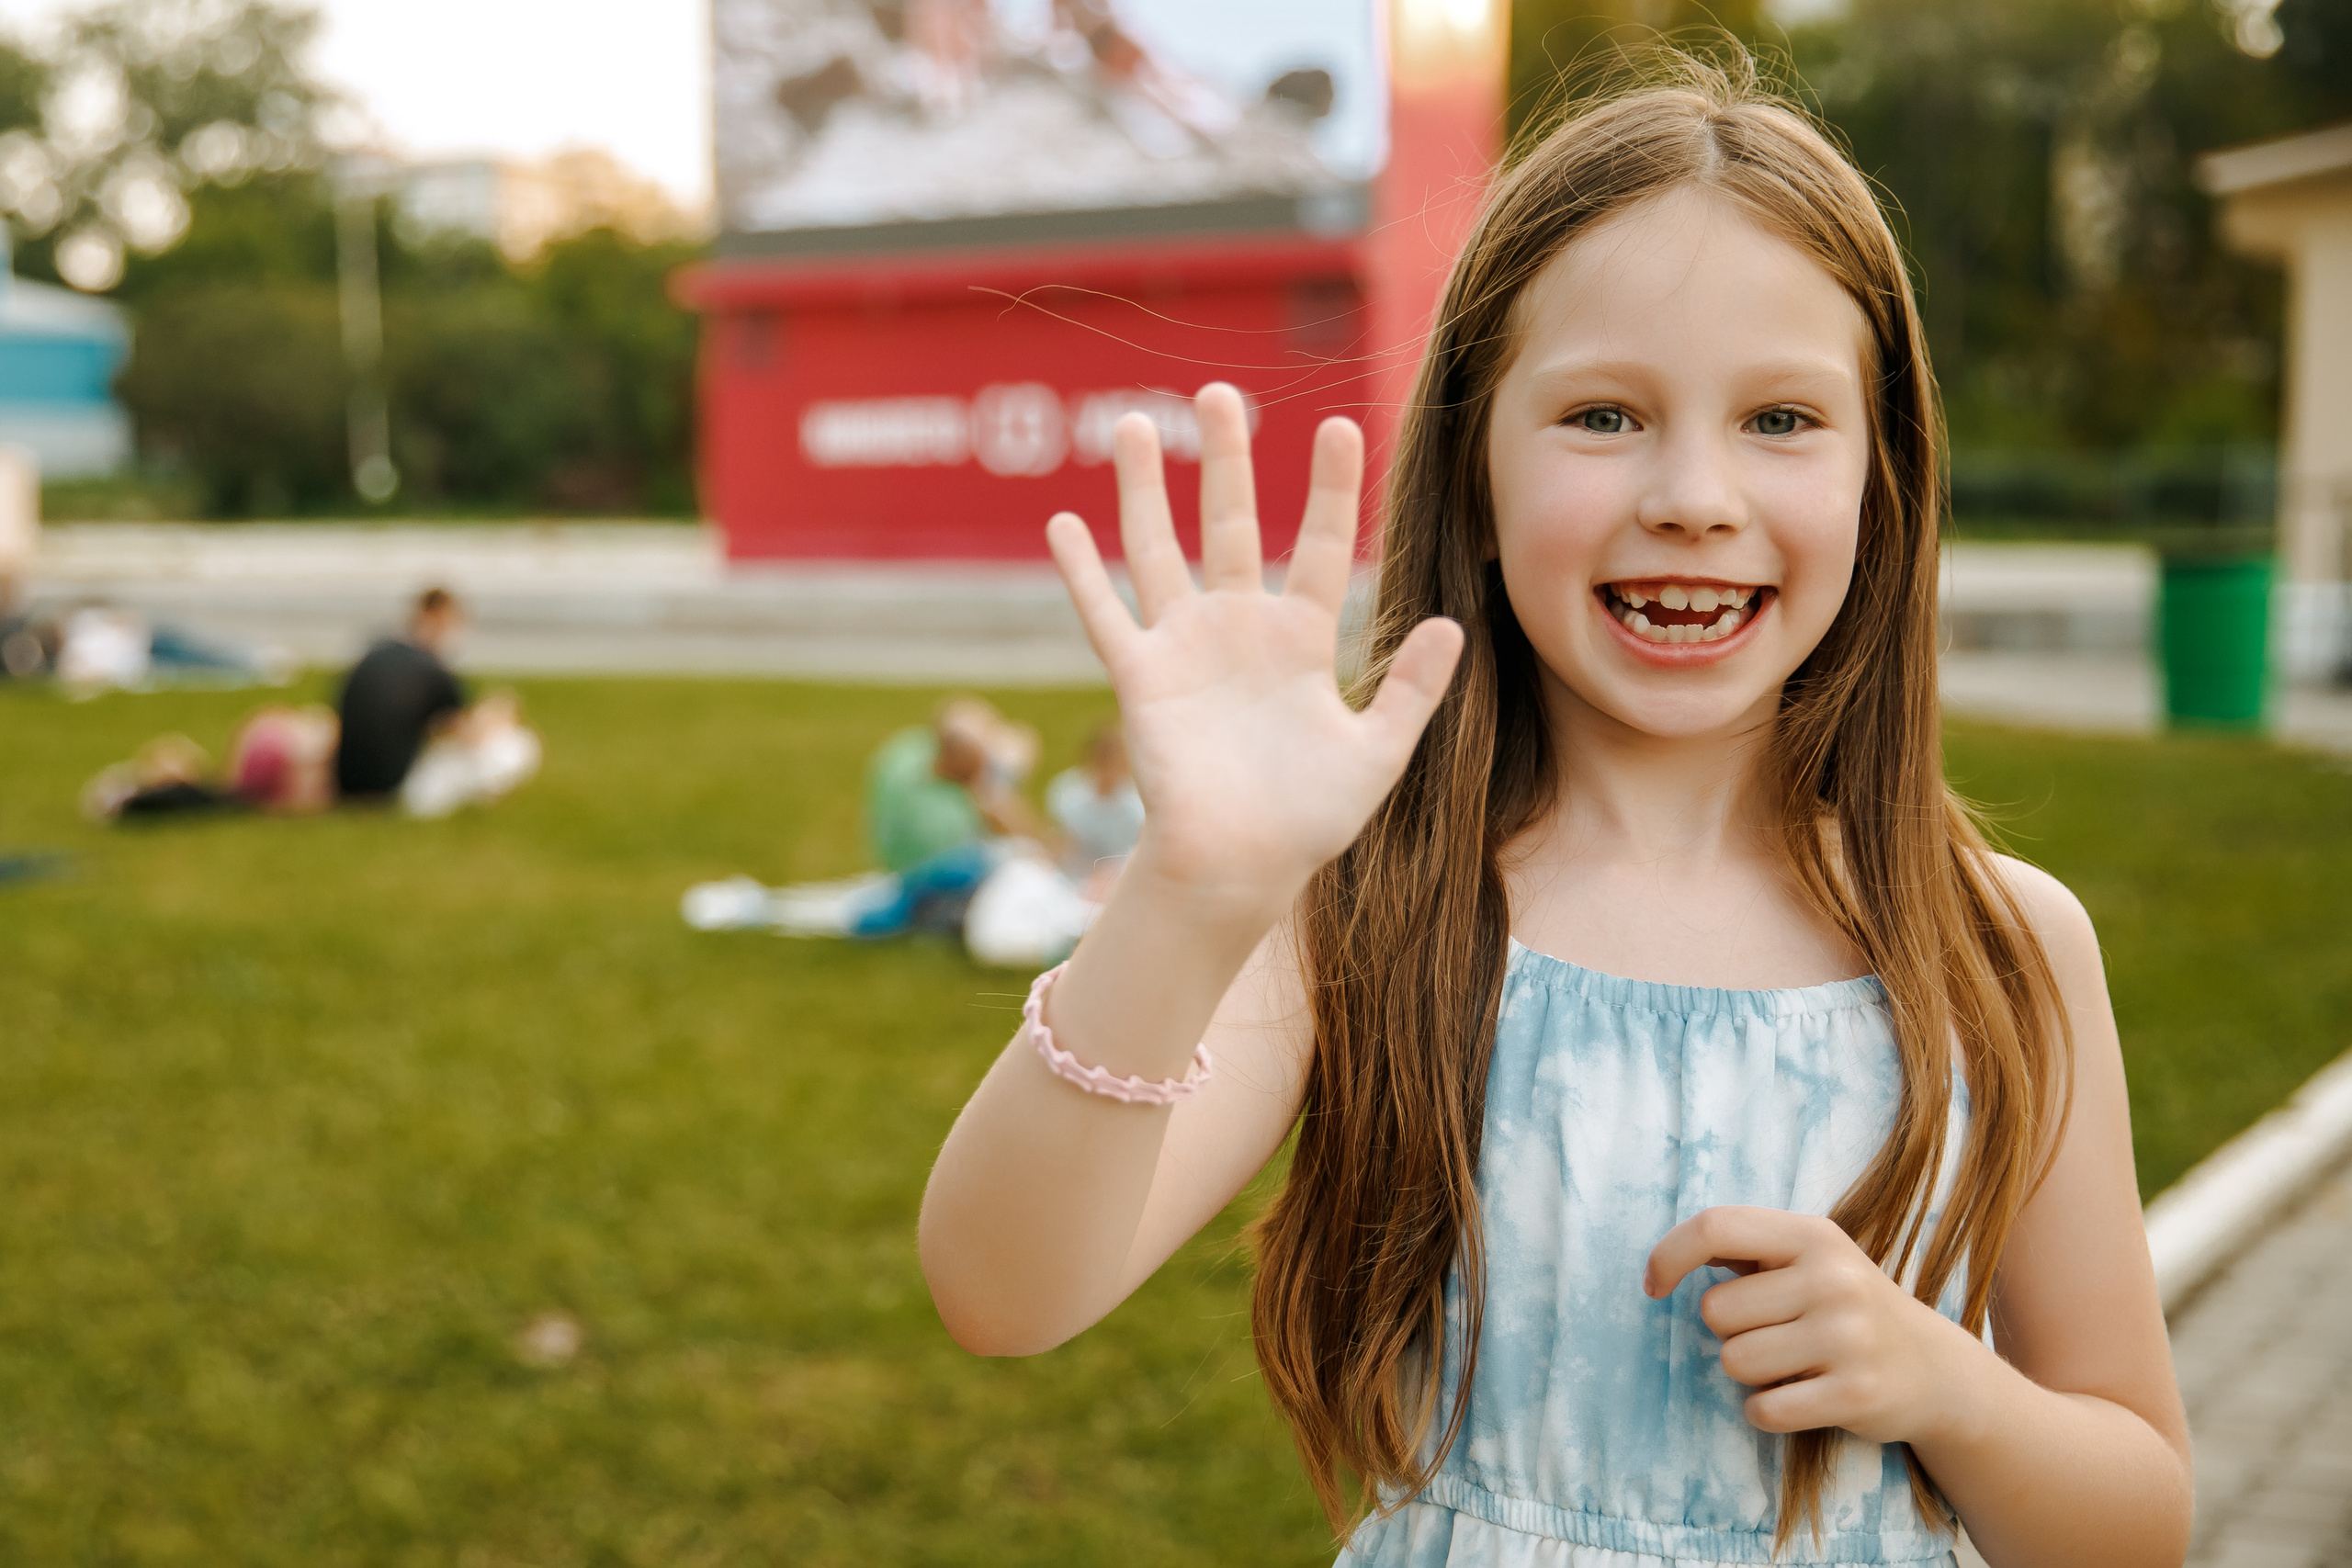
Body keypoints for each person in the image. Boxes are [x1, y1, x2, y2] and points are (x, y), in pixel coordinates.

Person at [919, 61, 2188, 1568]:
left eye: (1782, 417)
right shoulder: (1371, 907)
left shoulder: (2005, 946)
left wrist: (1948, 1384)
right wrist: (1189, 892)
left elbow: (2137, 1523)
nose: (1695, 494)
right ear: (1476, 470)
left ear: (1882, 478)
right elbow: (1002, 1290)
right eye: (1604, 414)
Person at [853, 697, 1044, 937]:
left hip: (906, 870)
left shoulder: (907, 751)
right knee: (1020, 863)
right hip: (935, 875)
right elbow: (1005, 826)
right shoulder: (946, 810)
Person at [335, 587, 468, 801]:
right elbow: (462, 732)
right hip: (392, 785)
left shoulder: (375, 652)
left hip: (346, 781)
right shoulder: (434, 670)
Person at [1045, 718, 1143, 888]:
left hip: (1118, 878)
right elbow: (1059, 842)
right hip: (1072, 875)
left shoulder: (1136, 806)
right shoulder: (1067, 791)